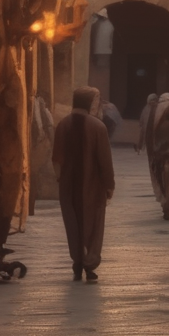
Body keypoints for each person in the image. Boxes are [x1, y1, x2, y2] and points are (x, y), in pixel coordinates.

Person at [52, 86, 115, 281]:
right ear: (90, 103)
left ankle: (77, 262)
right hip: (93, 186)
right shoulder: (98, 127)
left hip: (68, 186)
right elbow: (105, 160)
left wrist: (61, 180)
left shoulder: (63, 125)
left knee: (73, 224)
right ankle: (90, 263)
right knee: (94, 224)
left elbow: (57, 159)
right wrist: (109, 184)